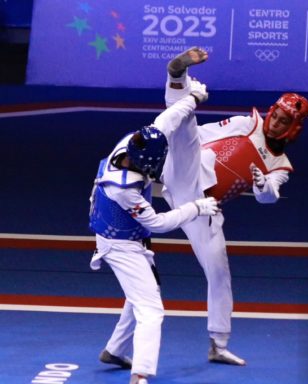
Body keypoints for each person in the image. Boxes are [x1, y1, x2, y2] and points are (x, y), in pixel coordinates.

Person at [159, 47, 308, 365]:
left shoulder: (280, 165)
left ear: (294, 128)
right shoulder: (246, 123)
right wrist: (175, 152)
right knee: (187, 123)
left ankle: (218, 343)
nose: (274, 124)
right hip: (185, 172)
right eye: (275, 116)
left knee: (219, 272)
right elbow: (202, 135)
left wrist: (261, 185)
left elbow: (269, 196)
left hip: (203, 207)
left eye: (283, 121)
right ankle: (177, 75)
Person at [89, 82, 220, 384]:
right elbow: (158, 224)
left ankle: (114, 350)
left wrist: (193, 98)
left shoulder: (134, 141)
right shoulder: (124, 189)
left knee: (142, 293)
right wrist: (196, 208)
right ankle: (140, 375)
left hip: (126, 235)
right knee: (152, 309)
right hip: (120, 245)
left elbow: (169, 118)